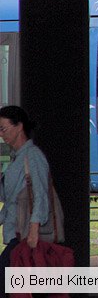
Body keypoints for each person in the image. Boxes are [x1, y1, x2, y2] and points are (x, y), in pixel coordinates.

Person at [0, 105, 51, 287]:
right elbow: (11, 200)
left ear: (19, 126)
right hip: (18, 233)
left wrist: (34, 232)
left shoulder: (32, 156)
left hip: (26, 236)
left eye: (3, 128)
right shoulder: (17, 158)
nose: (1, 134)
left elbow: (41, 195)